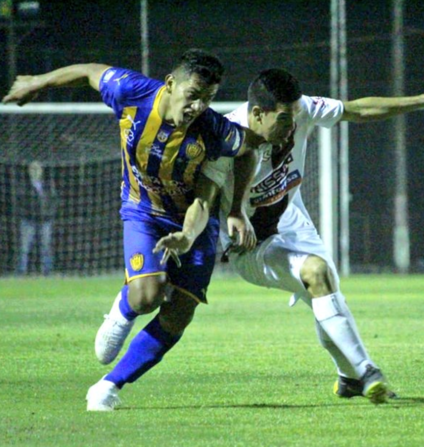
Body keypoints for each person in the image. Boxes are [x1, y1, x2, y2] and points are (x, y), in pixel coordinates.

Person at [193, 69, 424, 404]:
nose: (292, 127)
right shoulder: (226, 139)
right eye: (284, 120)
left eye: (295, 117)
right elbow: (198, 198)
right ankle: (366, 370)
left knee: (325, 293)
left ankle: (348, 379)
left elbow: (359, 109)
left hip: (292, 220)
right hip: (251, 244)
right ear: (257, 114)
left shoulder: (301, 110)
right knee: (316, 274)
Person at [3, 49, 264, 411]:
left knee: (180, 313)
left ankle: (108, 387)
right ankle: (123, 308)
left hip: (194, 222)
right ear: (171, 85)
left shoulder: (213, 130)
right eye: (193, 95)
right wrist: (38, 81)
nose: (198, 107)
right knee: (147, 296)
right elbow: (90, 70)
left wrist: (234, 209)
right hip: (144, 210)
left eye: (208, 99)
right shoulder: (133, 92)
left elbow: (248, 150)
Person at [15, 161, 58, 275]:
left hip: (45, 220)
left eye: (37, 169)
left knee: (46, 247)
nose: (35, 171)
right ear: (29, 171)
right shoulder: (24, 186)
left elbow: (53, 201)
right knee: (24, 248)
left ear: (41, 171)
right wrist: (27, 213)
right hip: (29, 220)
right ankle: (21, 272)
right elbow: (20, 202)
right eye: (32, 169)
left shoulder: (48, 186)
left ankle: (47, 272)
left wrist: (49, 214)